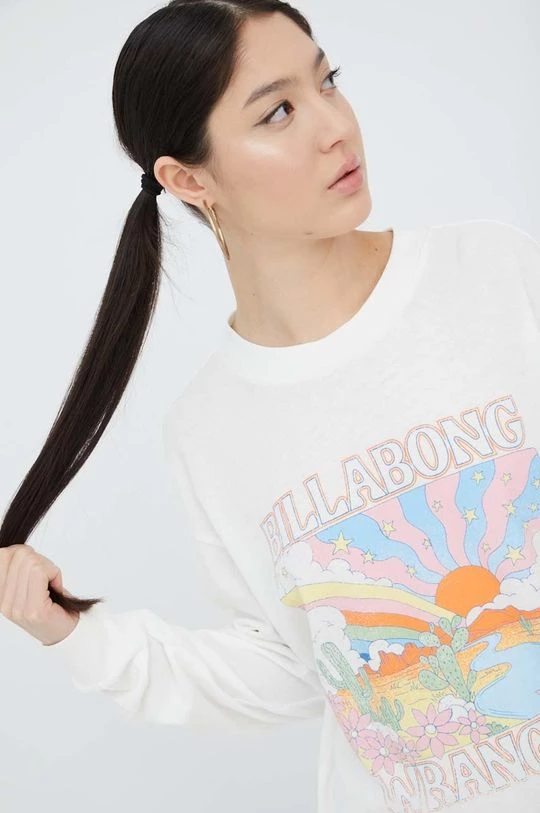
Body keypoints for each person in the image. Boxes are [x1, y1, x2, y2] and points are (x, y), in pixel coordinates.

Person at [1, 2, 540, 812]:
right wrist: (77, 634)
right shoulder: (209, 427)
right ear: (189, 179)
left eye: (328, 81)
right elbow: (291, 667)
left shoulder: (493, 273)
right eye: (278, 112)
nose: (336, 127)